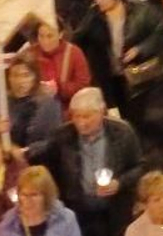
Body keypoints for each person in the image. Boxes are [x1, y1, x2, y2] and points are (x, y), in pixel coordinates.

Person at [33, 87, 143, 236]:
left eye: (87, 116)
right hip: (78, 214)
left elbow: (139, 167)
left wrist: (120, 183)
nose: (81, 123)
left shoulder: (122, 132)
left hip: (115, 212)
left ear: (101, 111)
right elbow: (49, 171)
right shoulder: (61, 137)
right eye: (76, 116)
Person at [0, 166, 81, 236]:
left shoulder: (66, 219)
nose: (28, 200)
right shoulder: (7, 225)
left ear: (46, 195)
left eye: (34, 195)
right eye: (24, 194)